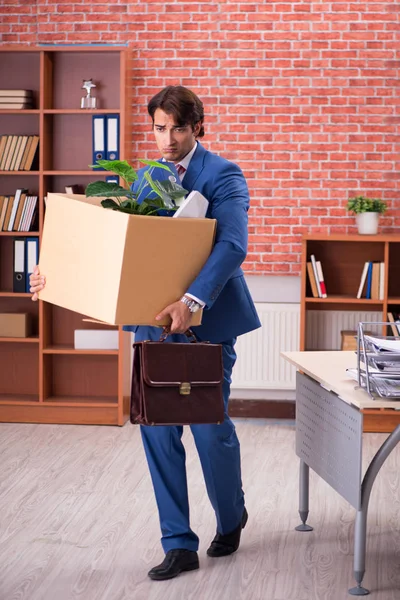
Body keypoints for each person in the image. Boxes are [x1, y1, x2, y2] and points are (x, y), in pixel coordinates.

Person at [30, 85, 261, 581]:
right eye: (160, 128)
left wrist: (191, 300)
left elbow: (232, 247)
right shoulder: (148, 177)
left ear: (197, 126)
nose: (168, 138)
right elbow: (115, 245)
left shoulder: (223, 175)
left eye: (178, 128)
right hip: (152, 324)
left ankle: (231, 515)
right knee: (157, 432)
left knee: (210, 429)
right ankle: (178, 543)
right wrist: (53, 273)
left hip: (206, 325)